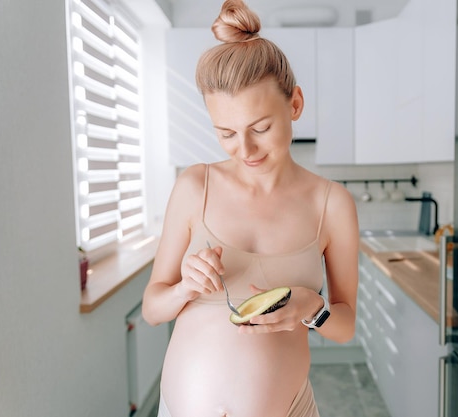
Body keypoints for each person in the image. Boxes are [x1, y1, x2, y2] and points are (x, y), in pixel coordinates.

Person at [142, 1, 359, 416]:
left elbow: (345, 325)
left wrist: (311, 308)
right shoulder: (194, 187)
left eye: (261, 128)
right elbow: (153, 308)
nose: (246, 150)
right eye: (226, 133)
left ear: (294, 104)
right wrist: (187, 286)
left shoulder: (332, 204)